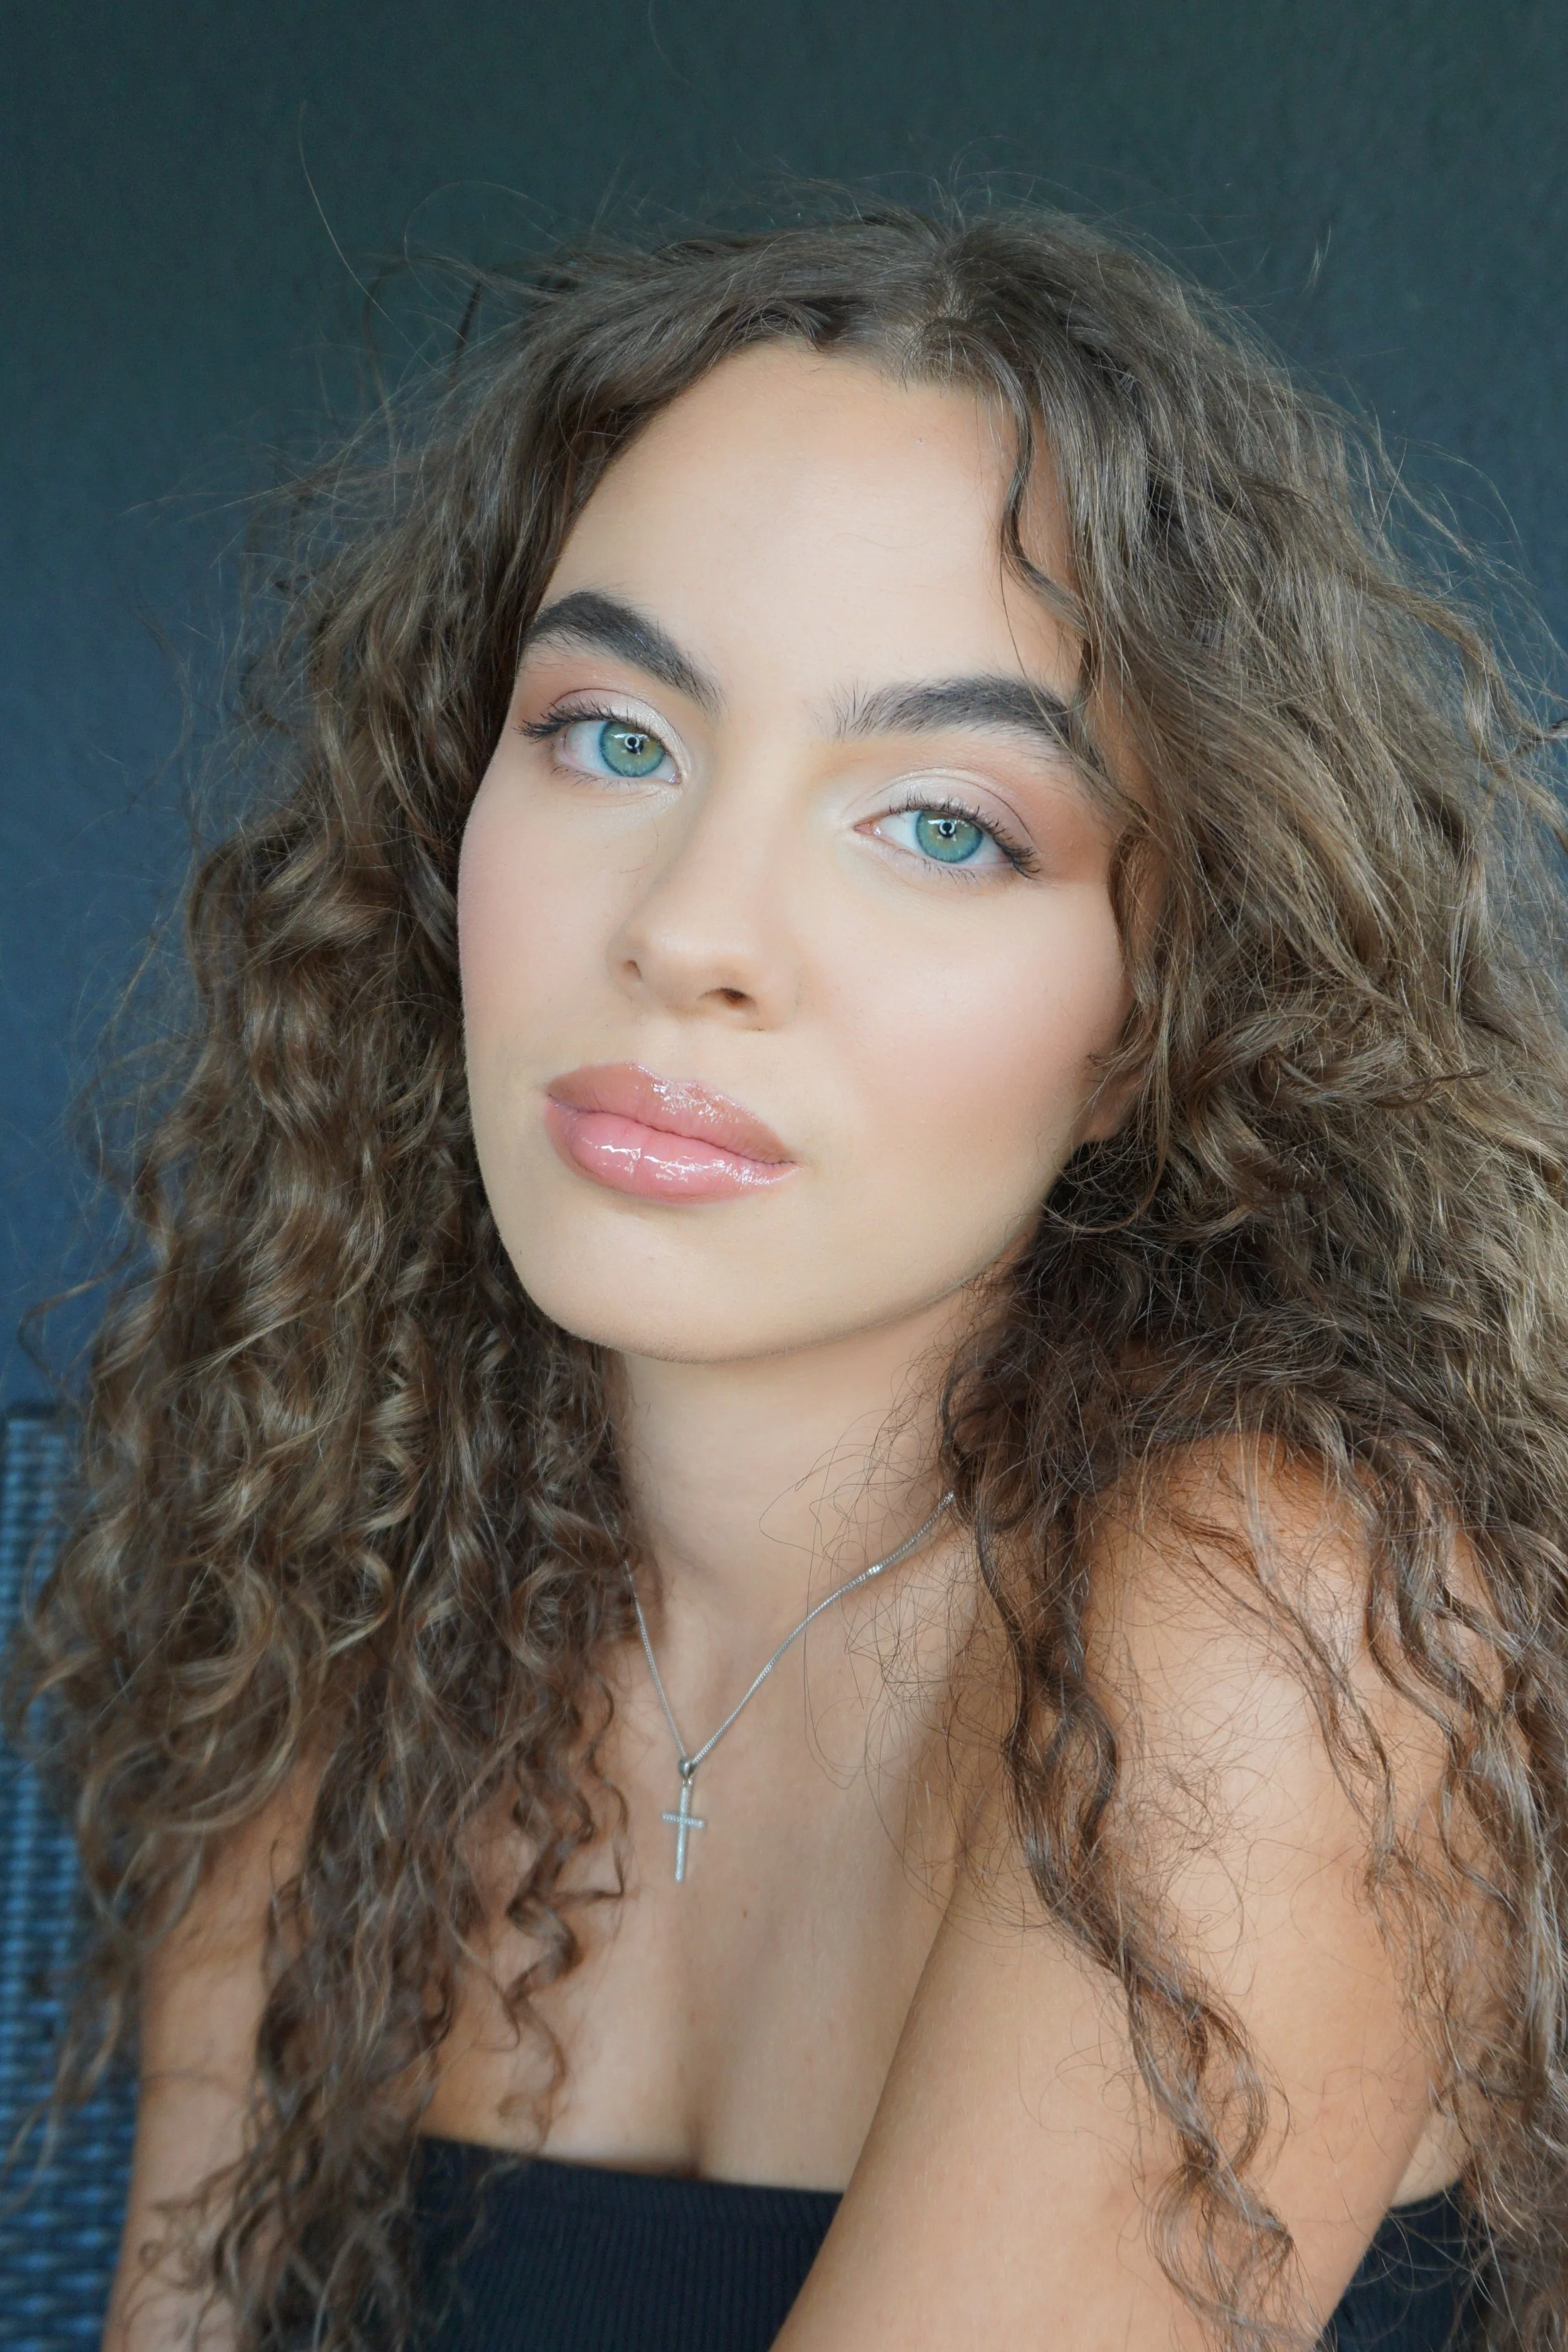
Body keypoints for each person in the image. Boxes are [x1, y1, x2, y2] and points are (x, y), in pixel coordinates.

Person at [20, 201, 1568, 2351]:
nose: (691, 928)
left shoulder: (1275, 1632)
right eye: (609, 737)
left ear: (1152, 1013)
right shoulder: (349, 1611)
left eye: (940, 820)